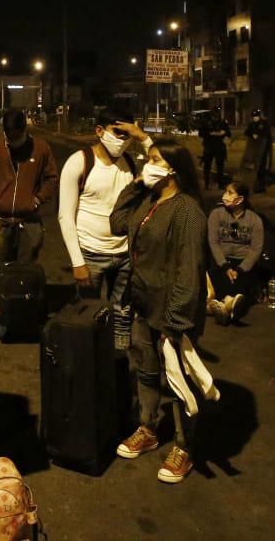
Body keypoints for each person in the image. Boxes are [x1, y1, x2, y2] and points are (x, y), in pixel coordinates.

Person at [110, 136, 215, 484]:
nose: (147, 164)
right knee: (146, 369)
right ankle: (148, 428)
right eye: (148, 159)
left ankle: (184, 447)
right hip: (143, 303)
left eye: (154, 160)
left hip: (173, 310)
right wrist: (137, 186)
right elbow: (117, 222)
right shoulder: (149, 200)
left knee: (179, 380)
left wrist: (177, 322)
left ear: (173, 169)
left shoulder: (187, 211)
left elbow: (189, 270)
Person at [58, 108, 150, 349]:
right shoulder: (79, 162)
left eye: (128, 134)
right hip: (91, 255)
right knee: (88, 314)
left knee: (122, 314)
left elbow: (166, 165)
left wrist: (142, 136)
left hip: (124, 255)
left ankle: (117, 361)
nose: (123, 139)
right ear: (99, 131)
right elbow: (65, 216)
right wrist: (77, 262)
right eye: (118, 132)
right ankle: (87, 359)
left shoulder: (130, 163)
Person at [0, 108, 58, 266]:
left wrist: (38, 199)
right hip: (0, 221)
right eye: (9, 136)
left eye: (16, 136)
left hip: (29, 222)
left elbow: (51, 178)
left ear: (24, 130)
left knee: (26, 267)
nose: (12, 140)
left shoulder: (41, 149)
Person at [205, 181, 265, 325]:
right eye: (226, 191)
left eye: (230, 192)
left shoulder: (254, 220)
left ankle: (223, 307)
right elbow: (213, 242)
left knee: (241, 283)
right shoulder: (216, 214)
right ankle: (229, 306)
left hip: (242, 263)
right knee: (220, 278)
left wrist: (240, 269)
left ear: (240, 199)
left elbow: (255, 249)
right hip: (221, 260)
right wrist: (225, 266)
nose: (225, 195)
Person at [243, 109, 274, 192]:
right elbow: (246, 132)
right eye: (253, 117)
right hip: (254, 150)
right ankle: (255, 185)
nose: (255, 118)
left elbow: (266, 134)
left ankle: (261, 186)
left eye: (256, 116)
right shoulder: (252, 124)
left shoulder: (264, 123)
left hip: (263, 149)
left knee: (261, 167)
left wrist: (259, 136)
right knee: (254, 167)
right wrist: (252, 134)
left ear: (259, 116)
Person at [200, 113, 231, 188]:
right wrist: (210, 133)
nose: (215, 118)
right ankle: (207, 184)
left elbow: (229, 133)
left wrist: (224, 132)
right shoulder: (206, 123)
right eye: (214, 117)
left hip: (220, 147)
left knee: (220, 166)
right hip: (209, 147)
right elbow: (201, 133)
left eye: (217, 117)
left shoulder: (223, 122)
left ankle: (220, 184)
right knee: (207, 166)